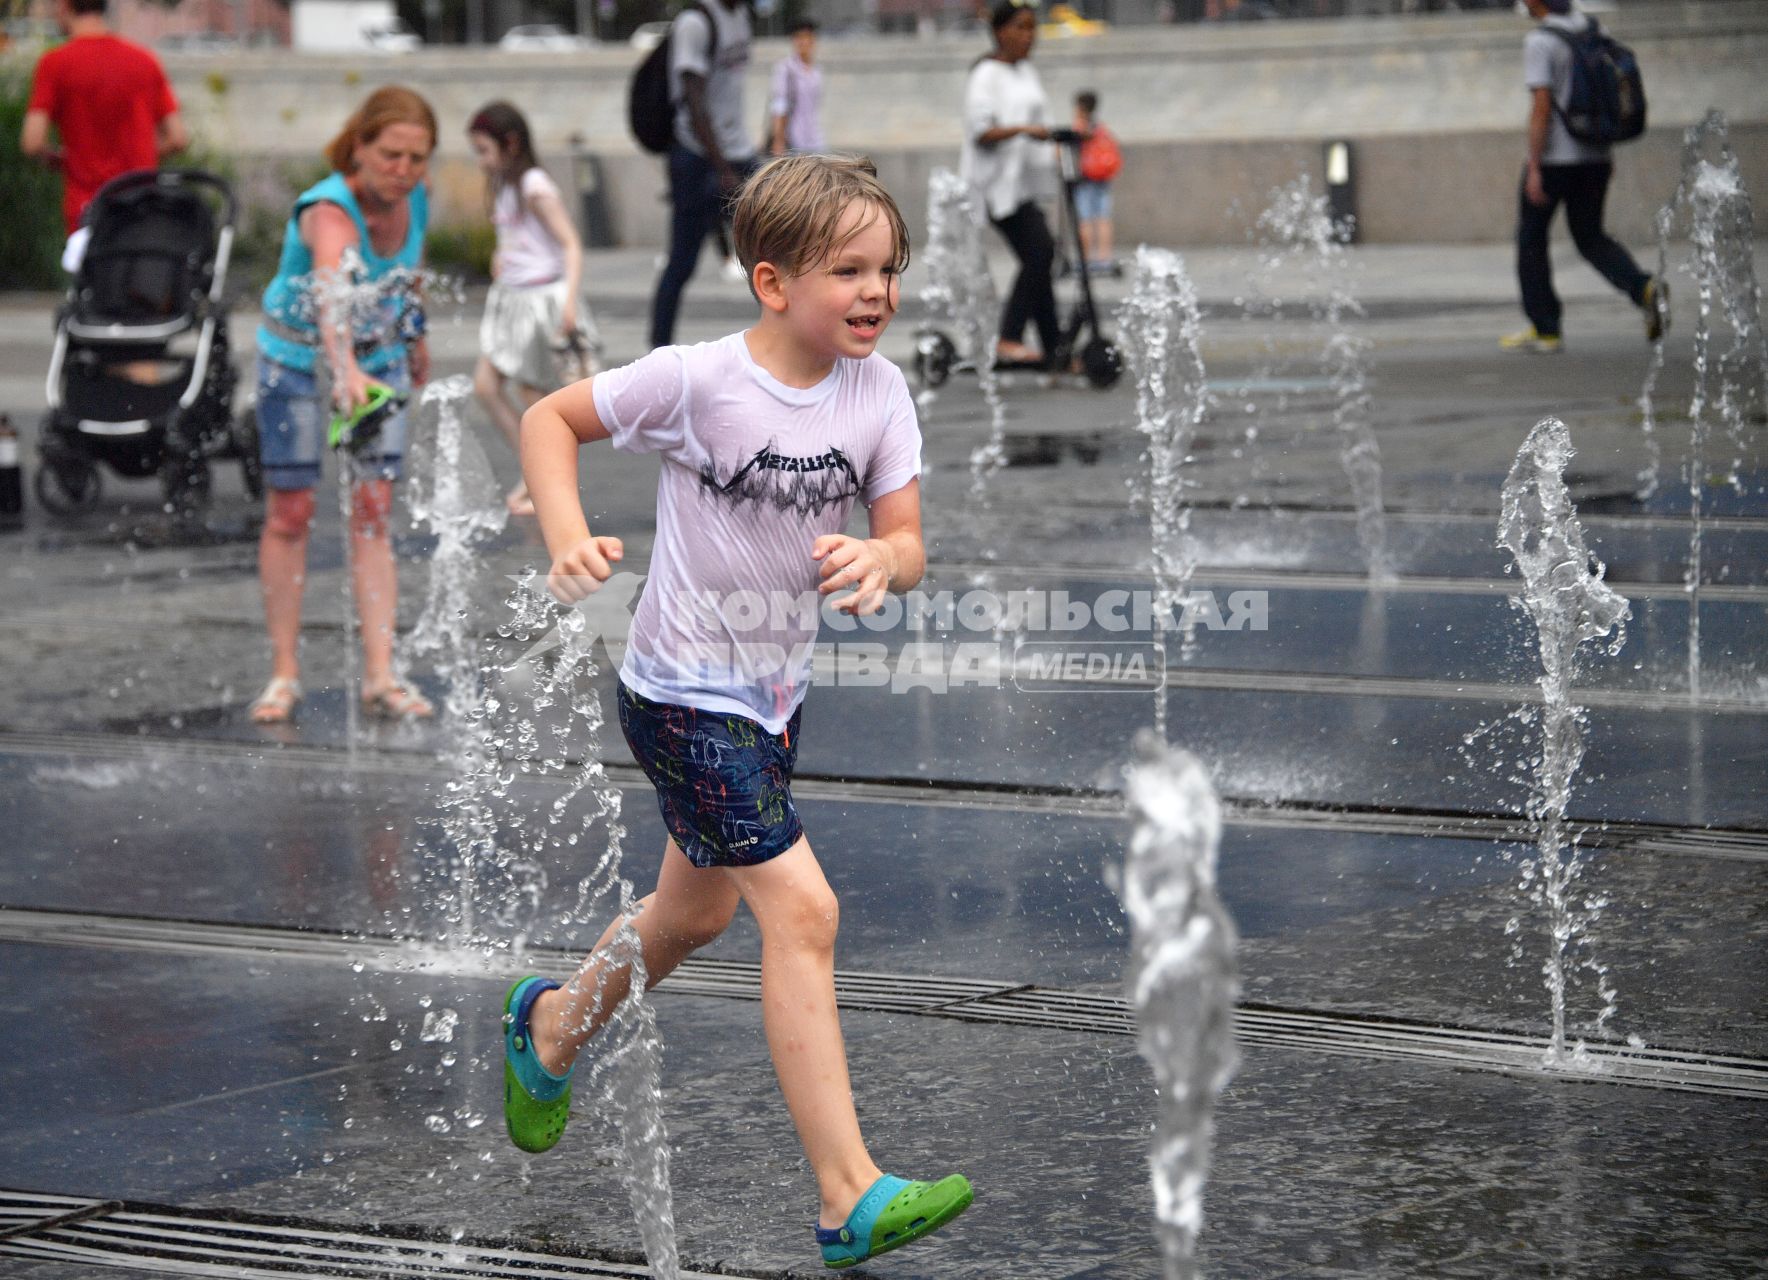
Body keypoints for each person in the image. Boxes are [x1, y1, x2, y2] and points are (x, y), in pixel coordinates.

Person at [508, 154, 974, 1270]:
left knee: (696, 915)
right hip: (677, 693)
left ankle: (551, 1029)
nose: (876, 291)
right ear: (773, 283)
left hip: (769, 699)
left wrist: (883, 555)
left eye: (888, 269)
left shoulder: (880, 392)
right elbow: (548, 418)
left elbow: (910, 542)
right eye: (848, 270)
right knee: (802, 911)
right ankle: (846, 1192)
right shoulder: (700, 380)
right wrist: (567, 534)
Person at [247, 87, 438, 725]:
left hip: (378, 360)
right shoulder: (330, 209)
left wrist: (415, 335)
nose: (403, 169)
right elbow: (332, 293)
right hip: (297, 361)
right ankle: (284, 673)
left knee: (374, 510)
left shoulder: (417, 200)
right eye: (390, 154)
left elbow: (408, 275)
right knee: (292, 510)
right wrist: (344, 367)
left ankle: (380, 676)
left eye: (417, 157)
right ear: (359, 145)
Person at [1503, 0, 1667, 354]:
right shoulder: (1593, 29)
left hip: (1555, 160)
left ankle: (1545, 328)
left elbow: (1542, 106)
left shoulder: (1540, 42)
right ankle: (1643, 289)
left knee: (1531, 238)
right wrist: (1605, 151)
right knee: (1591, 237)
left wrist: (1534, 164)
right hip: (1595, 155)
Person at [467, 101, 597, 518]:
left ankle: (541, 479)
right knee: (487, 386)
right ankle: (534, 472)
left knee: (534, 396)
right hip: (514, 299)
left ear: (510, 144)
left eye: (484, 150)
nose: (481, 161)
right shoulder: (506, 185)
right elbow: (519, 240)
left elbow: (570, 243)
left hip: (542, 302)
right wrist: (500, 259)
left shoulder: (533, 185)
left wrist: (570, 302)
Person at [20, 0, 188, 266]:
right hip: (141, 203)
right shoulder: (143, 59)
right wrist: (140, 153)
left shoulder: (55, 63)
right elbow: (178, 137)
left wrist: (59, 158)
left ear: (65, 8)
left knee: (93, 288)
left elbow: (32, 142)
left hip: (87, 205)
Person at [651, 0, 762, 349]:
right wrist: (722, 168)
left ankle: (790, 344)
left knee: (771, 253)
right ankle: (658, 349)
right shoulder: (694, 23)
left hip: (738, 152)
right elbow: (694, 99)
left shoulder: (741, 14)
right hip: (698, 158)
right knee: (681, 263)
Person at [961, 0, 1060, 368]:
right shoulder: (985, 74)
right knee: (1040, 253)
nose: (1028, 36)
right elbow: (981, 132)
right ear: (1000, 31)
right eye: (1021, 27)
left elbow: (1044, 121)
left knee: (1041, 257)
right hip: (993, 187)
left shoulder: (1026, 72)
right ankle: (1009, 336)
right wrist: (1024, 130)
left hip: (1021, 186)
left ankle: (1055, 352)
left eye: (1033, 28)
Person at [1072, 89, 1120, 277]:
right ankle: (1104, 258)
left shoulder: (1080, 128)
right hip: (1103, 178)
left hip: (1086, 179)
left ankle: (1085, 259)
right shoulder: (1101, 127)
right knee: (1103, 218)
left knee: (1085, 219)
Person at [767, 19, 826, 157]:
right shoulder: (786, 68)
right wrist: (778, 140)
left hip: (815, 139)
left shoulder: (816, 71)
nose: (803, 42)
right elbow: (779, 105)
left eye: (807, 37)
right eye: (799, 37)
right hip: (794, 141)